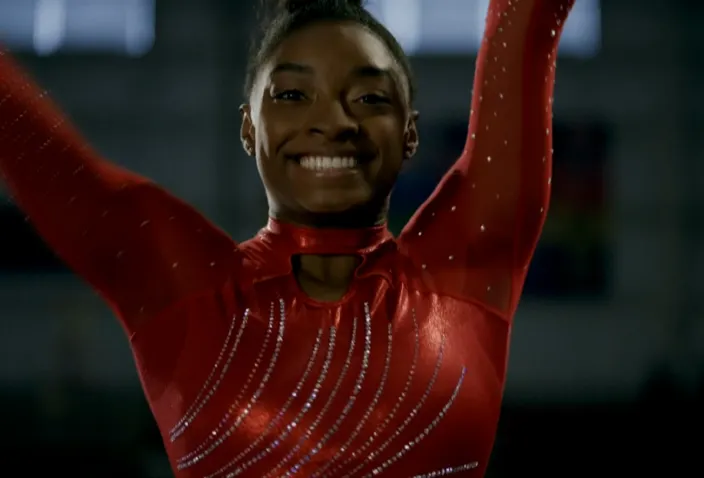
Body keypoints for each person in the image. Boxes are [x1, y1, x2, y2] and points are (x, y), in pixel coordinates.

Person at [0, 0, 573, 475]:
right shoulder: (186, 293)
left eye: (370, 97)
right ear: (249, 127)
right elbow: (38, 151)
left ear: (410, 134)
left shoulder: (464, 269)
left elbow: (525, 23)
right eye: (293, 95)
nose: (334, 121)